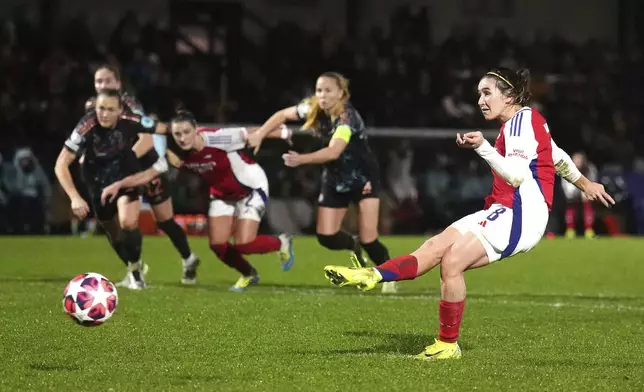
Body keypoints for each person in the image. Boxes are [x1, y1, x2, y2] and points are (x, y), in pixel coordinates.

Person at [323, 67, 615, 359]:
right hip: (505, 208)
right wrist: (585, 182)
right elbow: (556, 155)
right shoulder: (527, 121)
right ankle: (371, 275)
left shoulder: (519, 125)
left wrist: (483, 147)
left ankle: (448, 345)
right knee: (435, 246)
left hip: (521, 215)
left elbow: (515, 176)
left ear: (509, 95)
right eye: (479, 94)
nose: (480, 101)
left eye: (487, 93)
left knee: (452, 261)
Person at [100, 110, 295, 292]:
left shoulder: (216, 138)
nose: (182, 138)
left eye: (186, 132)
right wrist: (117, 185)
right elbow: (147, 175)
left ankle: (281, 242)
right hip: (221, 193)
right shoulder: (175, 155)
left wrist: (283, 132)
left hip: (250, 186)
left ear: (196, 130)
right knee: (218, 245)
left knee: (244, 244)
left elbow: (251, 132)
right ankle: (249, 274)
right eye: (177, 134)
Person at [248, 72, 395, 293]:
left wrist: (301, 160)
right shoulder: (313, 107)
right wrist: (260, 134)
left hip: (362, 178)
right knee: (326, 236)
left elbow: (334, 151)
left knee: (369, 237)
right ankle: (352, 245)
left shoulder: (347, 118)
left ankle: (389, 276)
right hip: (335, 178)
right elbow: (281, 115)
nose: (322, 95)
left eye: (328, 90)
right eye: (319, 90)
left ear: (341, 94)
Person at [88, 65, 200, 285]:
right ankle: (136, 273)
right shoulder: (94, 108)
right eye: (99, 82)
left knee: (165, 221)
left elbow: (146, 140)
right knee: (126, 222)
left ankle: (188, 259)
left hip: (146, 168)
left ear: (118, 84)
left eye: (107, 81)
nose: (103, 85)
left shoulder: (129, 106)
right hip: (126, 173)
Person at [55, 88, 165, 290]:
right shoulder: (85, 126)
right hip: (97, 182)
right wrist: (75, 197)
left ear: (120, 110)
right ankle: (134, 268)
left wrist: (191, 136)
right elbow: (61, 163)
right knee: (113, 233)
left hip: (126, 177)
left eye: (110, 109)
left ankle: (136, 275)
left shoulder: (131, 120)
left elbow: (161, 128)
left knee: (127, 222)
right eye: (100, 109)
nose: (104, 114)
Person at [562, 152, 598, 239]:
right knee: (571, 205)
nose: (577, 163)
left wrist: (587, 192)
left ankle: (589, 230)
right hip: (572, 189)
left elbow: (593, 181)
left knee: (588, 205)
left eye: (579, 161)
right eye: (576, 161)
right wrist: (572, 194)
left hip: (585, 188)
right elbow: (566, 185)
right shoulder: (567, 167)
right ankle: (570, 230)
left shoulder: (590, 169)